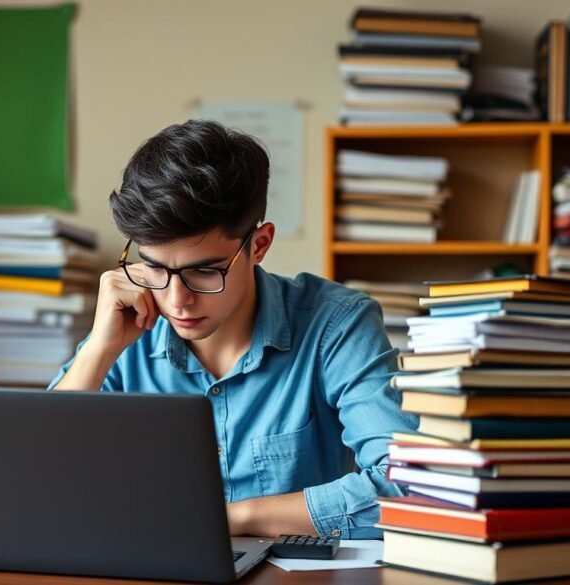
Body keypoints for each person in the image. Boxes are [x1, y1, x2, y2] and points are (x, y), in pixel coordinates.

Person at [50, 119, 417, 538]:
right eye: (153, 267)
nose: (176, 300)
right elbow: (32, 485)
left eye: (204, 271)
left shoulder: (337, 324)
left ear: (258, 245)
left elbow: (407, 487)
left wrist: (230, 519)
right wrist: (98, 351)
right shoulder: (124, 330)